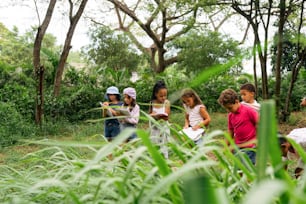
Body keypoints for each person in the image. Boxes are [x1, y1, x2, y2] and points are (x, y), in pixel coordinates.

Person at [218, 89, 259, 165]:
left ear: (237, 101)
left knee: (248, 169)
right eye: (226, 109)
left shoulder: (249, 111)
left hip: (250, 146)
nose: (228, 110)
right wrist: (226, 146)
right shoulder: (231, 115)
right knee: (238, 168)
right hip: (237, 146)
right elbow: (230, 132)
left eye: (230, 108)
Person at [149, 80, 171, 159]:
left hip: (163, 128)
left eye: (165, 95)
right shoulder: (152, 102)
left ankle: (165, 160)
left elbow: (166, 116)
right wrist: (154, 115)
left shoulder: (166, 103)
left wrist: (157, 116)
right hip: (154, 128)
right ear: (155, 94)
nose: (163, 98)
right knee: (154, 144)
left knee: (164, 145)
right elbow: (149, 114)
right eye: (161, 96)